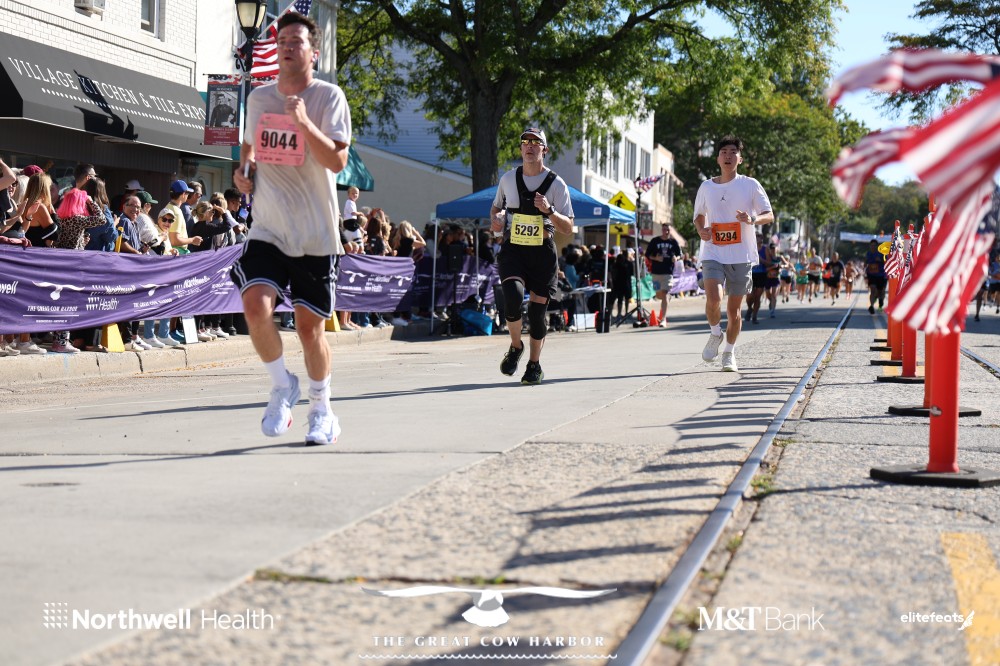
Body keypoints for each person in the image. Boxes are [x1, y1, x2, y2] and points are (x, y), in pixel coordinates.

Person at [232, 11, 351, 446]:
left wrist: (303, 123)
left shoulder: (328, 97)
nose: (286, 47)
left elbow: (337, 161)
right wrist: (243, 173)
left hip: (315, 232)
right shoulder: (259, 98)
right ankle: (282, 385)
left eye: (296, 41)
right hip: (268, 227)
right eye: (282, 40)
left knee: (309, 329)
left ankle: (321, 409)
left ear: (313, 52)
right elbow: (248, 148)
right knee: (255, 307)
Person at [489, 127, 575, 385]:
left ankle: (534, 365)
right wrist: (496, 221)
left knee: (537, 314)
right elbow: (495, 209)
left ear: (544, 150)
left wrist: (549, 211)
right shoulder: (508, 179)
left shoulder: (556, 184)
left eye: (535, 142)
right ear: (521, 148)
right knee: (512, 298)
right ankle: (516, 346)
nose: (529, 145)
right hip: (514, 248)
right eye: (525, 141)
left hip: (542, 252)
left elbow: (568, 227)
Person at [694, 135, 774, 372]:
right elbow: (698, 216)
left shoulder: (750, 184)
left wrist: (752, 219)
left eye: (733, 152)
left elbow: (769, 214)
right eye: (724, 152)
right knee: (714, 299)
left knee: (734, 311)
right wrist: (701, 230)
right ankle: (715, 333)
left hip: (741, 255)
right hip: (713, 252)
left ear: (740, 159)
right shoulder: (706, 187)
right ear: (718, 158)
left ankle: (729, 353)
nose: (728, 156)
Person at [646, 222, 681, 327]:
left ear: (670, 231)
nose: (666, 232)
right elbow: (647, 254)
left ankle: (663, 319)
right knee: (658, 295)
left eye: (668, 230)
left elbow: (679, 254)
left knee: (664, 293)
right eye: (664, 229)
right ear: (662, 230)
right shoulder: (655, 241)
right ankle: (667, 297)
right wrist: (655, 258)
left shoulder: (673, 242)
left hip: (668, 272)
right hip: (656, 272)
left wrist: (676, 258)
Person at [865, 238, 887, 314]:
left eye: (874, 245)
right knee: (872, 289)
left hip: (880, 275)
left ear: (877, 246)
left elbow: (886, 261)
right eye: (872, 245)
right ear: (870, 246)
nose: (873, 247)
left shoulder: (881, 253)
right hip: (871, 274)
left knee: (880, 291)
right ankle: (871, 306)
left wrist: (880, 260)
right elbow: (866, 262)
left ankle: (880, 301)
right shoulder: (868, 253)